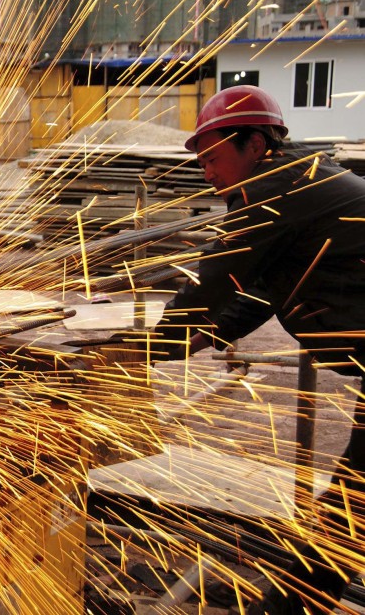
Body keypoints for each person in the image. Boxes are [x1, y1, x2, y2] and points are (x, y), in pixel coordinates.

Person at [149, 85, 365, 614]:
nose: (207, 173)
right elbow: (265, 287)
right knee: (352, 503)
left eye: (213, 158)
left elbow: (215, 280)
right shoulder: (300, 180)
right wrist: (209, 335)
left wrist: (147, 344)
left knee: (352, 505)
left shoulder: (274, 188)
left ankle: (289, 606)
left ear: (255, 144)